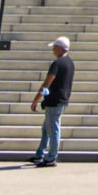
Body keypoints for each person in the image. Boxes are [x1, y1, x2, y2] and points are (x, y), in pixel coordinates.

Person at [29, 36, 75, 167]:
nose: (53, 51)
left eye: (54, 48)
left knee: (53, 129)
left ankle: (51, 157)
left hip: (54, 101)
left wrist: (36, 100)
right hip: (62, 100)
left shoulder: (57, 63)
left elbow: (47, 84)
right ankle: (39, 154)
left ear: (60, 49)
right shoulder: (70, 63)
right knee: (46, 129)